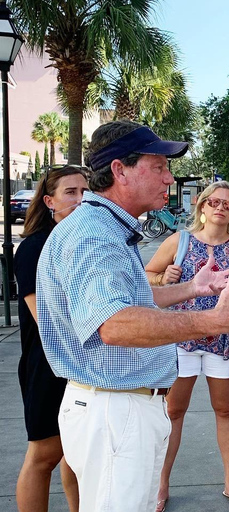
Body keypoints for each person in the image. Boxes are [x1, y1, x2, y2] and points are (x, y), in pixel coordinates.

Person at [36, 120, 229, 512]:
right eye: (158, 166)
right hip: (114, 412)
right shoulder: (95, 235)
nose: (169, 176)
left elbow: (131, 298)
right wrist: (213, 321)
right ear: (120, 170)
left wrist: (193, 288)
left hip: (118, 408)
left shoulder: (104, 227)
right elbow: (115, 323)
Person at [146, 181, 229, 511]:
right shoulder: (178, 241)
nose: (221, 207)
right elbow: (147, 275)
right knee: (173, 412)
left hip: (224, 346)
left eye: (228, 203)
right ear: (202, 206)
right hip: (179, 342)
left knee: (226, 410)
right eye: (215, 201)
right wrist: (164, 278)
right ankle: (161, 483)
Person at [15, 165, 89, 512]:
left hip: (81, 363)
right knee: (44, 456)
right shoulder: (34, 247)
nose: (80, 199)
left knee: (76, 457)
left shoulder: (80, 240)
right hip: (46, 365)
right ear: (49, 201)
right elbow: (46, 318)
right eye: (70, 192)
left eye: (85, 191)